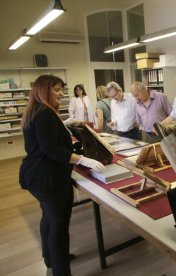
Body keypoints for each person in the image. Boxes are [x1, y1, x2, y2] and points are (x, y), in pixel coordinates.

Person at [19, 75, 105, 275]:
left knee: (48, 217)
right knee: (59, 223)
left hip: (36, 176)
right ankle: (61, 270)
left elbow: (45, 141)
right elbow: (51, 149)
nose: (60, 93)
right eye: (55, 89)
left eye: (61, 90)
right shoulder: (45, 114)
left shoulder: (36, 111)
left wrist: (64, 125)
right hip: (48, 178)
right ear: (43, 90)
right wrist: (82, 160)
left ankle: (49, 258)